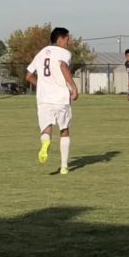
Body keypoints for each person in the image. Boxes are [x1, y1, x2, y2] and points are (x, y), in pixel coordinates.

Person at [26, 27, 79, 175]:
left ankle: (46, 142)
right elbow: (63, 66)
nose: (69, 41)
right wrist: (74, 88)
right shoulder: (64, 53)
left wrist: (42, 84)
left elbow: (28, 76)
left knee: (46, 128)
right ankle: (63, 167)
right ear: (60, 39)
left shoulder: (41, 52)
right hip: (61, 97)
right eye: (67, 38)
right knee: (64, 130)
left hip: (44, 98)